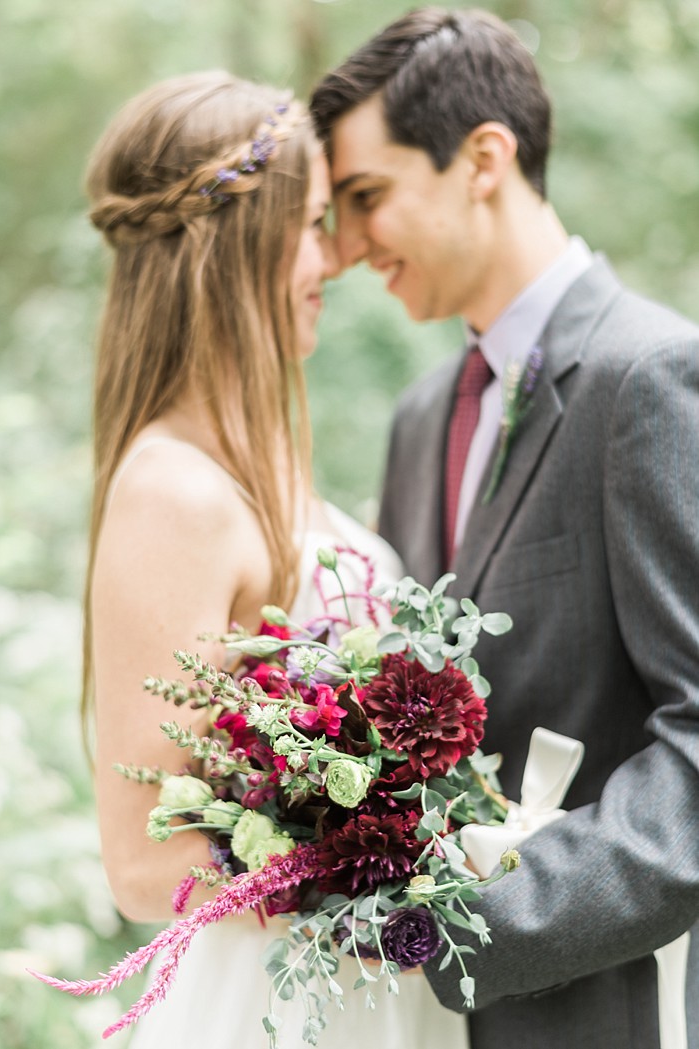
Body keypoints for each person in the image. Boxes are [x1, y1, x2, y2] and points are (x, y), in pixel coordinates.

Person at [310, 9, 699, 1049]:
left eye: (366, 198)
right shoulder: (420, 415)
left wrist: (467, 926)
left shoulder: (650, 376)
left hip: (602, 1003)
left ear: (484, 156)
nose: (344, 249)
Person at [83, 70, 465, 1049]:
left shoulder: (256, 465)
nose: (331, 258)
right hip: (274, 1007)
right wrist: (369, 864)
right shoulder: (174, 492)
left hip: (361, 983)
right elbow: (139, 859)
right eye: (308, 224)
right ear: (232, 248)